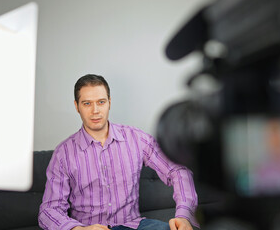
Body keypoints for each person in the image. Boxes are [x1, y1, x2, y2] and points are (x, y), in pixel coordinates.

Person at [38, 74, 199, 230]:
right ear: (76, 106)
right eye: (87, 103)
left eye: (101, 102)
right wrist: (78, 229)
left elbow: (177, 170)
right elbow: (49, 210)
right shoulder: (63, 153)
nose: (95, 110)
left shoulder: (137, 139)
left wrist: (184, 215)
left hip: (135, 226)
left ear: (109, 102)